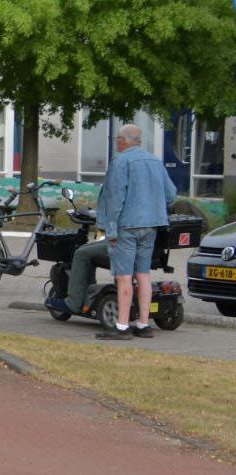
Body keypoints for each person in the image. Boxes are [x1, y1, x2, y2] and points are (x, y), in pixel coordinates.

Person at [67, 124, 175, 340]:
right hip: (151, 226)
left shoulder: (121, 162)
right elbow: (171, 195)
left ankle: (123, 326)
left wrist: (111, 230)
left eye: (117, 139)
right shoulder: (155, 162)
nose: (116, 142)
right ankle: (144, 325)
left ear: (124, 140)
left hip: (127, 227)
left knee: (124, 277)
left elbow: (115, 199)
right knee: (143, 275)